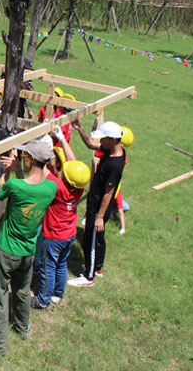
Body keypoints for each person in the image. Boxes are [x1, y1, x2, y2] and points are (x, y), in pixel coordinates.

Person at [0, 139, 56, 356]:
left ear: (31, 160)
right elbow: (33, 184)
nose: (21, 158)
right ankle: (22, 327)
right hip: (28, 251)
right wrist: (21, 169)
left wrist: (5, 171)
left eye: (24, 156)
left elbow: (2, 190)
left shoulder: (15, 185)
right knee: (22, 290)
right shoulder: (51, 188)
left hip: (6, 251)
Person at [31, 127, 90, 309]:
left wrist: (43, 149)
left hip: (54, 236)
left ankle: (43, 299)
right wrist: (62, 139)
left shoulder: (58, 188)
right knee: (61, 263)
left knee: (48, 267)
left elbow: (43, 166)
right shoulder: (77, 187)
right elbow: (73, 164)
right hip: (69, 234)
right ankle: (58, 293)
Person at [67, 120, 126, 287]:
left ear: (113, 139)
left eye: (103, 138)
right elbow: (90, 145)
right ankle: (98, 267)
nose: (100, 142)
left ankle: (88, 277)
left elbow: (109, 192)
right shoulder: (113, 151)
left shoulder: (114, 164)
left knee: (90, 240)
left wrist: (99, 216)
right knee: (98, 237)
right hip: (99, 206)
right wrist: (80, 129)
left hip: (99, 207)